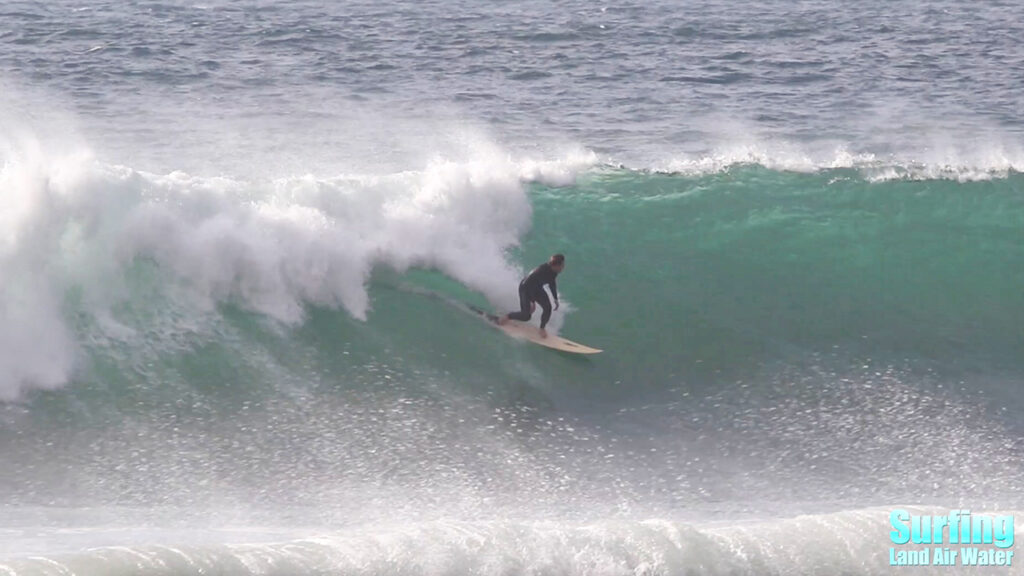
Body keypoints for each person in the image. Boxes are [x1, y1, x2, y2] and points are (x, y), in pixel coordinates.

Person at [498, 253, 565, 338]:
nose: (563, 267)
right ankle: (507, 316)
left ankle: (542, 329)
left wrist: (555, 298)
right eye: (562, 265)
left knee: (548, 308)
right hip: (525, 288)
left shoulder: (554, 271)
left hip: (537, 288)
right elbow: (528, 284)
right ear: (556, 265)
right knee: (526, 316)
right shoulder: (541, 270)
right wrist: (531, 301)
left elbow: (552, 283)